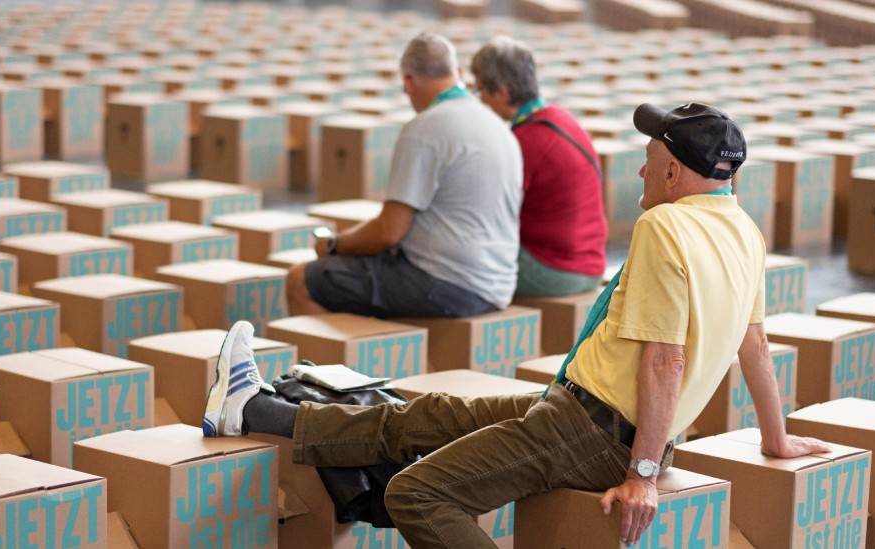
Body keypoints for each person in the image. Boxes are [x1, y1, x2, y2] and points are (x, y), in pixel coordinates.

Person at [204, 102, 831, 547]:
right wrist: (774, 440)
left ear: (673, 172)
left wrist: (641, 478)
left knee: (417, 495)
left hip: (595, 430)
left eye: (648, 159)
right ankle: (253, 411)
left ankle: (258, 412)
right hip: (591, 415)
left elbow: (665, 360)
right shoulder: (745, 232)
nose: (640, 171)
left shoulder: (664, 226)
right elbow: (756, 346)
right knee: (431, 414)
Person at [285, 32, 523, 318]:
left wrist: (335, 245)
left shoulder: (424, 129)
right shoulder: (498, 125)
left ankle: (327, 361)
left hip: (448, 283)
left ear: (408, 83)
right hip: (499, 284)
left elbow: (388, 232)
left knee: (301, 279)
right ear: (458, 73)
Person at [471, 37, 607, 297]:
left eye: (481, 91)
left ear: (502, 92)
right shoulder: (563, 119)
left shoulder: (526, 141)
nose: (480, 101)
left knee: (456, 263)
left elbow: (492, 213)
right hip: (591, 264)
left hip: (556, 270)